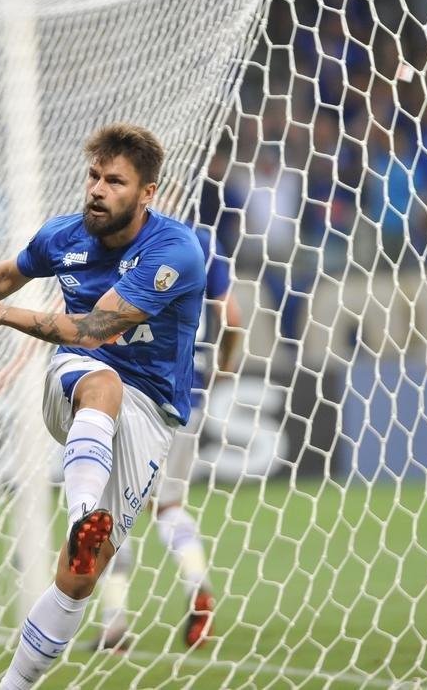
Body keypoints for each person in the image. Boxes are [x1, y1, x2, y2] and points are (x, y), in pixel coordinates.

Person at [0, 123, 206, 690]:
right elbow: (8, 275)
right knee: (104, 382)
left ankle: (13, 683)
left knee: (79, 580)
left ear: (147, 193)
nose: (97, 190)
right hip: (78, 382)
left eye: (115, 181)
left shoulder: (174, 250)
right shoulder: (64, 236)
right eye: (94, 176)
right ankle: (83, 516)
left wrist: (5, 315)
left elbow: (96, 325)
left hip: (152, 412)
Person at [93, 220, 243, 651]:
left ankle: (114, 625)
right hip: (186, 395)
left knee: (108, 511)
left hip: (129, 395)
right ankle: (197, 584)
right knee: (169, 506)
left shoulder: (118, 239)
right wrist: (224, 365)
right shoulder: (201, 241)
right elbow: (232, 317)